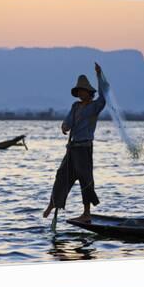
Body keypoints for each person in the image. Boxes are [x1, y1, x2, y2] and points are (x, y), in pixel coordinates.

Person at [43, 62, 108, 223]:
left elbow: (104, 95)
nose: (80, 93)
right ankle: (54, 203)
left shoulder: (95, 107)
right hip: (72, 148)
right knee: (62, 175)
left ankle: (86, 212)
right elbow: (69, 121)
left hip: (84, 148)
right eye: (78, 91)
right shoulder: (76, 106)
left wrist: (99, 75)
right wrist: (64, 126)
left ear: (88, 92)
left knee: (85, 179)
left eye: (82, 91)